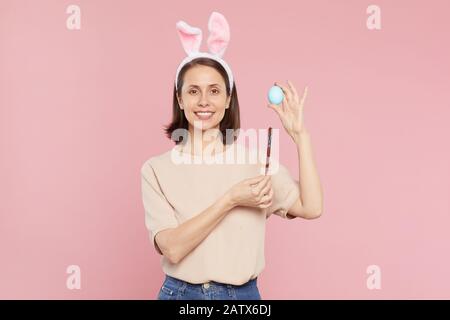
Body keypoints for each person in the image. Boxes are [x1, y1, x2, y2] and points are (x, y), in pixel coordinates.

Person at [140, 12, 323, 300]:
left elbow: (311, 208)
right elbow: (172, 249)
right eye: (193, 91)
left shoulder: (256, 162)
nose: (203, 101)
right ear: (180, 98)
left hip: (243, 298)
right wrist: (231, 199)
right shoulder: (155, 170)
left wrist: (301, 137)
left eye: (214, 91)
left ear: (227, 99)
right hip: (181, 295)